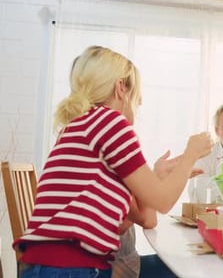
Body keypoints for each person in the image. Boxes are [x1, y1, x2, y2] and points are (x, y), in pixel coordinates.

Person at [14, 46, 212, 278]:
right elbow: (163, 202)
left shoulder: (78, 126)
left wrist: (157, 177)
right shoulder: (110, 122)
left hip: (47, 266)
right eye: (137, 100)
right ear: (121, 88)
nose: (137, 109)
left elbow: (148, 213)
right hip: (72, 269)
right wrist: (191, 153)